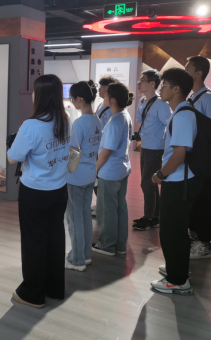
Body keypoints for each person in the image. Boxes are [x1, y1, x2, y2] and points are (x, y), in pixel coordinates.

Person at [7, 74, 70, 309]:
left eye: (35, 91)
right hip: (59, 190)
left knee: (34, 240)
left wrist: (13, 143)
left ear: (41, 95)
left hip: (35, 192)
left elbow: (13, 157)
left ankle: (33, 294)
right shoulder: (65, 120)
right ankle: (54, 289)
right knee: (55, 238)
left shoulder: (31, 125)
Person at [150, 68, 201, 295]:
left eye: (164, 86)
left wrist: (160, 175)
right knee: (175, 229)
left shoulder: (182, 115)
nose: (161, 90)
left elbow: (179, 155)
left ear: (177, 89)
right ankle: (176, 268)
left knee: (173, 231)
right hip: (180, 180)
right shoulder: (181, 112)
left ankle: (178, 280)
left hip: (179, 182)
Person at [185, 56, 211, 260]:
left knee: (204, 202)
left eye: (188, 69)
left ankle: (205, 244)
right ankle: (195, 237)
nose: (185, 72)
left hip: (204, 160)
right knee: (194, 199)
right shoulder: (192, 97)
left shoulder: (208, 98)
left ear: (198, 74)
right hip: (193, 159)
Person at [92, 82, 134, 256]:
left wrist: (95, 169)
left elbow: (107, 151)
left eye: (106, 94)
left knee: (106, 210)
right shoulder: (124, 115)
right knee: (120, 208)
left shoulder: (115, 120)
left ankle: (106, 245)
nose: (103, 96)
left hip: (110, 172)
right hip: (122, 168)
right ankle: (120, 245)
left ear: (114, 99)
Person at [65, 80, 102, 272]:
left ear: (79, 99)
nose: (72, 102)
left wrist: (65, 171)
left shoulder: (79, 123)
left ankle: (77, 259)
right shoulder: (97, 120)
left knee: (74, 218)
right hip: (90, 174)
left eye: (72, 98)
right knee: (85, 215)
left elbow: (73, 152)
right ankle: (85, 255)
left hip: (76, 176)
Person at [133, 70, 172, 231]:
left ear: (152, 84)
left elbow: (170, 123)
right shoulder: (142, 101)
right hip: (145, 147)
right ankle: (155, 216)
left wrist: (166, 144)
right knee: (151, 183)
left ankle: (149, 218)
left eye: (142, 80)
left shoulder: (161, 103)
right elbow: (141, 121)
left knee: (147, 183)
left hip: (155, 148)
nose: (139, 82)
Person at [91, 75, 118, 214]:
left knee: (100, 179)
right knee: (97, 180)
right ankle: (100, 204)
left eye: (102, 87)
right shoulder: (102, 105)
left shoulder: (113, 111)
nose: (99, 89)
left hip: (103, 148)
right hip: (97, 146)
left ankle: (103, 207)